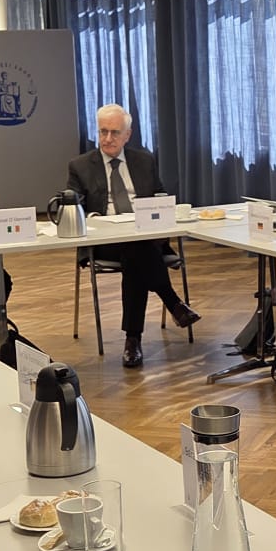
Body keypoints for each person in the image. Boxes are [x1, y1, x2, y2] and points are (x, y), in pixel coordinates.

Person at [65, 104, 201, 368]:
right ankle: (172, 304)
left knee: (136, 253)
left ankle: (134, 339)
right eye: (103, 131)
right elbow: (73, 206)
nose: (107, 138)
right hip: (104, 242)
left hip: (146, 238)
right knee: (136, 251)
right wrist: (95, 219)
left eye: (115, 132)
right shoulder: (79, 166)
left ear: (128, 135)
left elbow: (160, 196)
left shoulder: (144, 161)